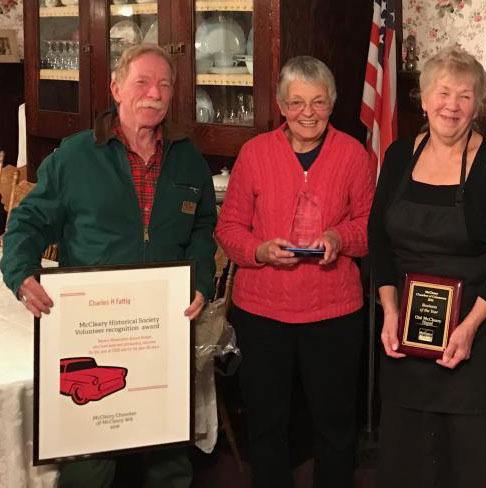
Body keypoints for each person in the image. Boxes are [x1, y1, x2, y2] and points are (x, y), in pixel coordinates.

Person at [1, 44, 216, 487]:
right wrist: (21, 275)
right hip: (94, 329)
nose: (154, 93)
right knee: (90, 463)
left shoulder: (188, 158)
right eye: (142, 82)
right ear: (116, 88)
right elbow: (27, 220)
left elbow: (201, 230)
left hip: (161, 329)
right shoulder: (75, 156)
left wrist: (201, 279)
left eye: (165, 84)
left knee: (169, 458)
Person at [368, 45, 486, 488]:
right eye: (443, 93)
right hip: (410, 342)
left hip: (480, 346)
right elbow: (380, 244)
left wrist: (467, 328)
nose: (452, 105)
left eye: (465, 96)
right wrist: (389, 311)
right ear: (423, 99)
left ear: (477, 106)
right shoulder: (399, 156)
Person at [215, 55, 375, 488]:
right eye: (297, 102)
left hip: (333, 313)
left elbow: (368, 228)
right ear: (282, 106)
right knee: (267, 424)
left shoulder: (353, 155)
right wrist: (260, 250)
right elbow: (228, 229)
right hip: (262, 313)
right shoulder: (254, 153)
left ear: (333, 103)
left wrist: (340, 239)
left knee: (336, 425)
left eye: (319, 102)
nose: (308, 112)